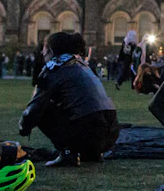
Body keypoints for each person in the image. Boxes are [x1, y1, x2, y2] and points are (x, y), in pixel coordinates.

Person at [19, 32, 120, 167]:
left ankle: (67, 153)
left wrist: (24, 126)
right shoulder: (82, 64)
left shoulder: (54, 68)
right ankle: (92, 154)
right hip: (111, 134)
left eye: (44, 48)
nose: (42, 53)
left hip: (88, 131)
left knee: (45, 109)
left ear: (51, 50)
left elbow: (36, 107)